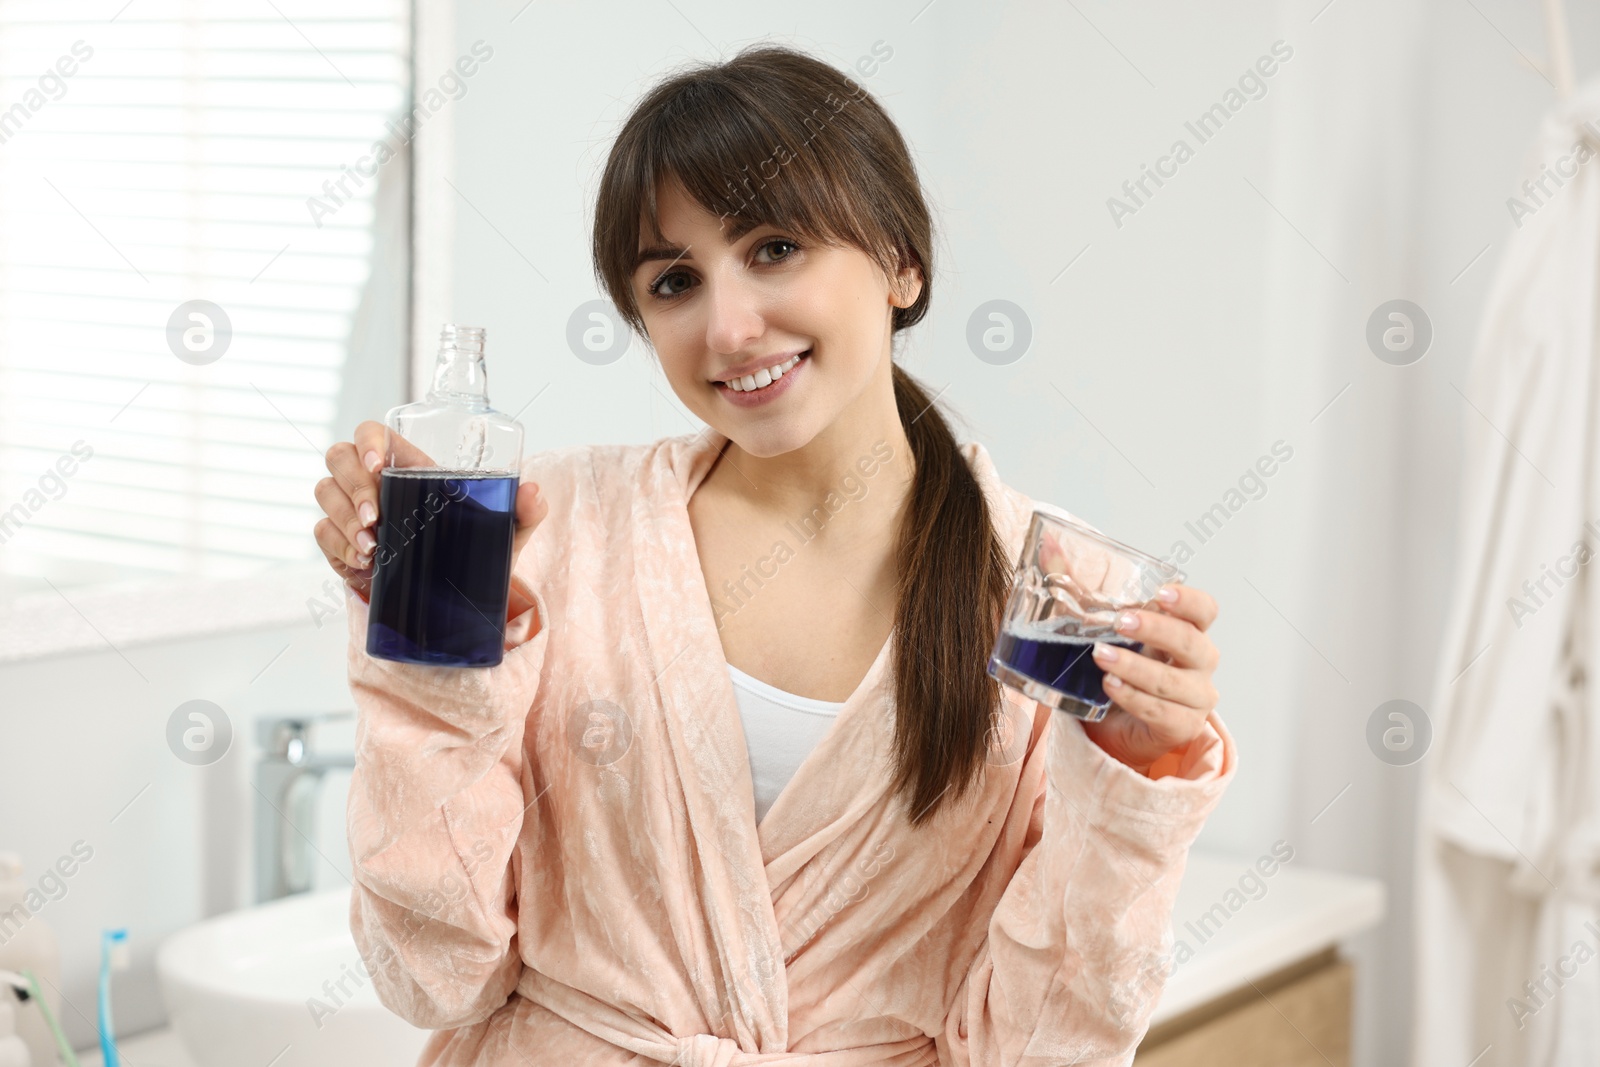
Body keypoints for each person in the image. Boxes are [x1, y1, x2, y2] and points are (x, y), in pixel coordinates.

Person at [314, 43, 1234, 1067]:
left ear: (900, 261)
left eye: (774, 249)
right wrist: (423, 636)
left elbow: (1038, 1048)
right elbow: (429, 975)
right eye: (674, 281)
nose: (730, 326)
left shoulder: (1057, 606)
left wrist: (1135, 776)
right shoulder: (548, 529)